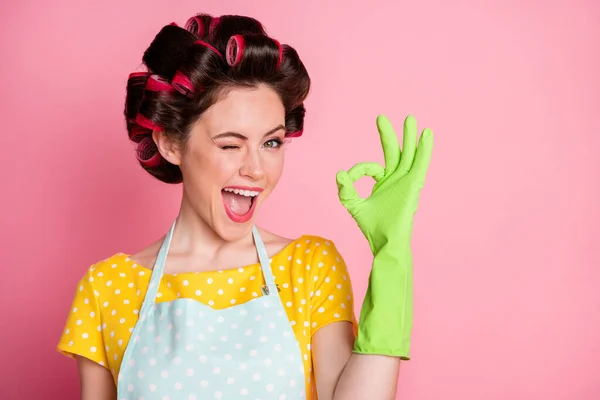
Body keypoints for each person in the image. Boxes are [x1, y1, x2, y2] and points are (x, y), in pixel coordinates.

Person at [57, 12, 433, 400]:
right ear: (170, 143)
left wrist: (392, 259)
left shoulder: (309, 266)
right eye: (231, 144)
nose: (256, 169)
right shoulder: (107, 288)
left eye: (271, 143)